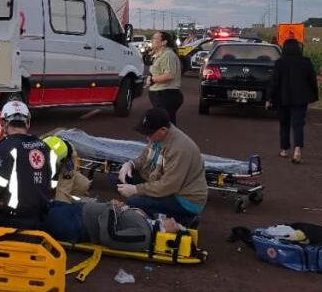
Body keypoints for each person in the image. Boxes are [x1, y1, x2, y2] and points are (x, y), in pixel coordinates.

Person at [116, 107, 207, 224]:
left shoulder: (179, 149)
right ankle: (160, 215)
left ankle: (183, 219)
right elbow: (143, 159)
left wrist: (136, 190)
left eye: (149, 133)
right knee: (120, 179)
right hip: (166, 185)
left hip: (185, 200)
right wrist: (130, 164)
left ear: (163, 130)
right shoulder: (158, 137)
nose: (147, 137)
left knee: (134, 201)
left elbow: (169, 185)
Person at [0, 100, 57, 230]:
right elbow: (52, 184)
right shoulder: (45, 147)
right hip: (40, 215)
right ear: (28, 122)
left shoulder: (7, 147)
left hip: (11, 218)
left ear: (3, 123)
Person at [43, 198, 182, 252]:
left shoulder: (143, 236)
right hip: (78, 210)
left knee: (29, 216)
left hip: (78, 224)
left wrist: (112, 209)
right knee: (35, 202)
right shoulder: (147, 223)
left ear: (167, 233)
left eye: (174, 223)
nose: (171, 219)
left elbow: (109, 237)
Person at [268, 38, 319, 164]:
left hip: (283, 98)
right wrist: (314, 95)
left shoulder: (280, 63)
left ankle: (284, 150)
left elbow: (274, 82)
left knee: (284, 124)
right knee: (298, 124)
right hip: (301, 99)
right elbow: (312, 80)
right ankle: (297, 150)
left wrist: (269, 98)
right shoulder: (306, 62)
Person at [145, 30, 183, 123]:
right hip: (160, 94)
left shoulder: (168, 55)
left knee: (165, 125)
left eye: (154, 38)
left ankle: (173, 138)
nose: (152, 40)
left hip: (166, 95)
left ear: (164, 42)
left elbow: (169, 75)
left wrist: (152, 79)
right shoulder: (159, 55)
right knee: (164, 124)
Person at [43, 135, 92, 203]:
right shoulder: (32, 152)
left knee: (82, 185)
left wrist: (60, 208)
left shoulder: (68, 156)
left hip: (64, 160)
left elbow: (64, 189)